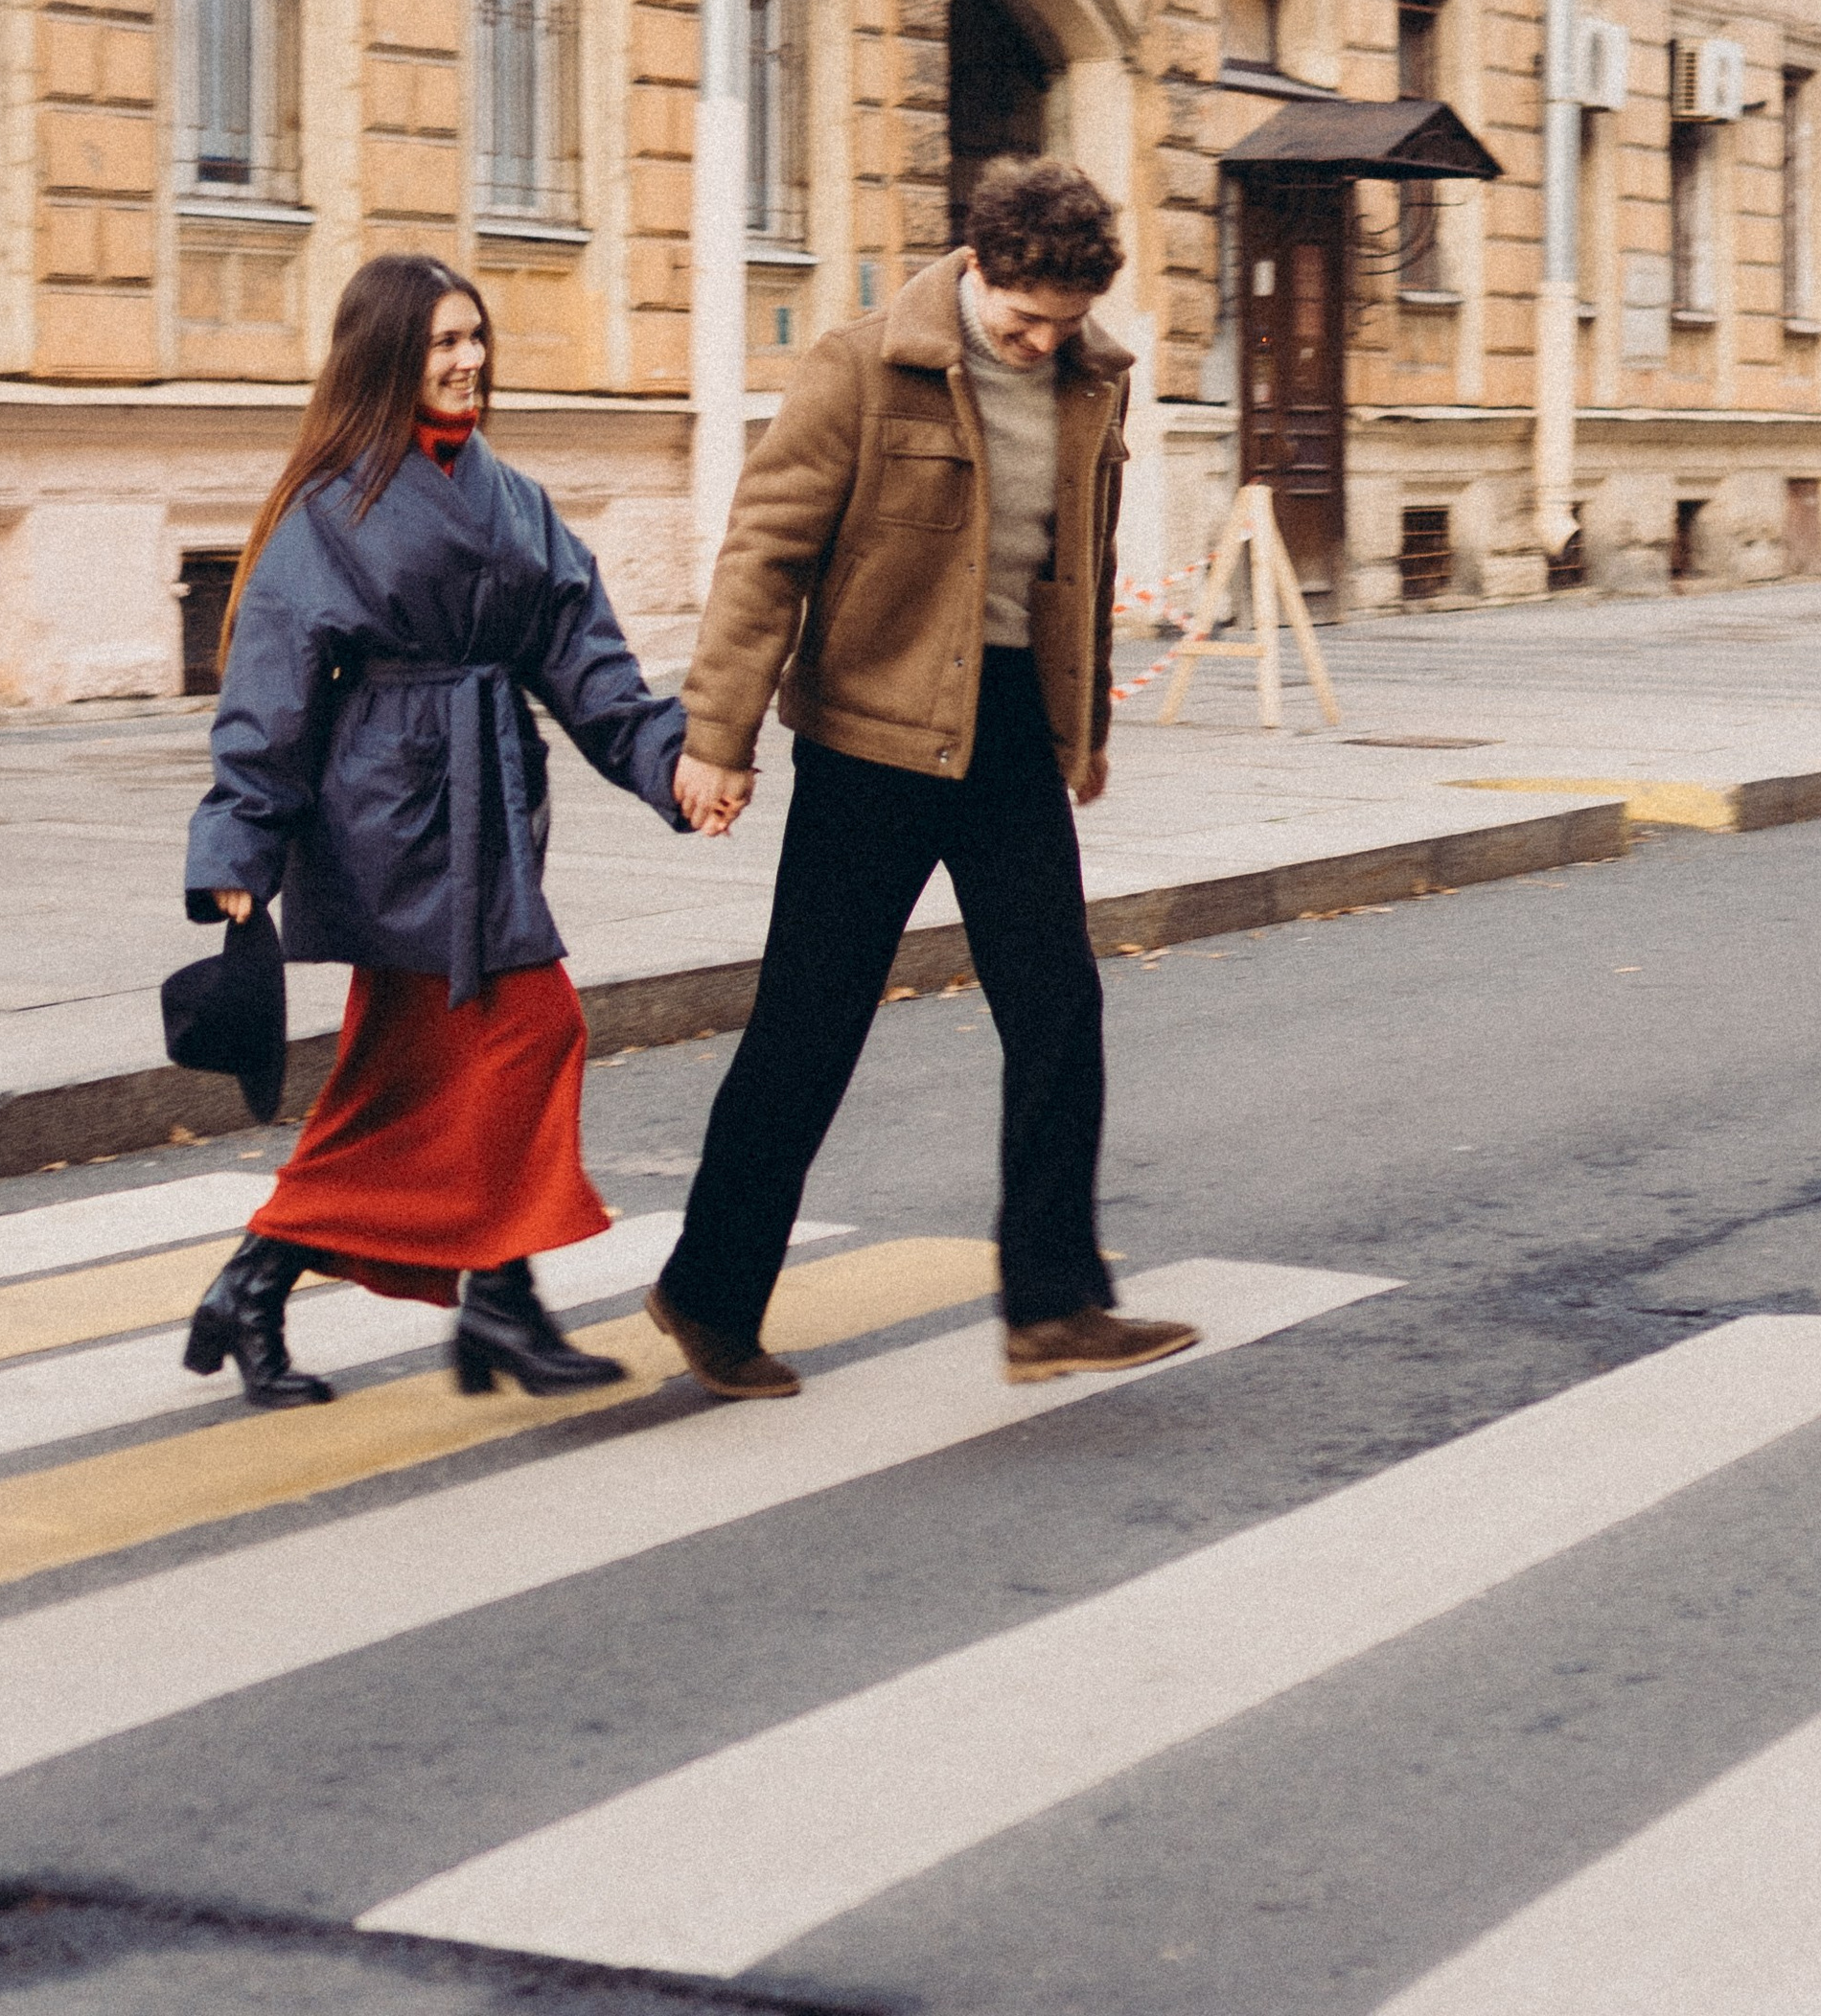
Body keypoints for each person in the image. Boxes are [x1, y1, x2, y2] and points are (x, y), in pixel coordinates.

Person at [650, 157, 1199, 1399]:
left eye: (1061, 325)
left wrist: (1082, 734)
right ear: (978, 269)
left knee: (1058, 1011)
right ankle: (708, 1293)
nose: (1039, 340)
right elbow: (765, 555)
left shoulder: (1089, 381)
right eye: (1022, 319)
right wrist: (717, 739)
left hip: (1005, 731)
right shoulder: (862, 367)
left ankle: (1053, 1303)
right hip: (868, 738)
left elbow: (1081, 562)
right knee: (809, 1027)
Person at [181, 253, 719, 1409]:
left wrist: (671, 767)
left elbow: (589, 664)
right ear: (388, 361)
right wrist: (239, 850)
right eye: (442, 345)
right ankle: (496, 1299)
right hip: (388, 818)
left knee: (407, 1080)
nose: (469, 362)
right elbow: (268, 692)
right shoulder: (331, 507)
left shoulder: (513, 496)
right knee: (531, 1030)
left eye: (476, 339)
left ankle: (262, 1283)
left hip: (488, 812)